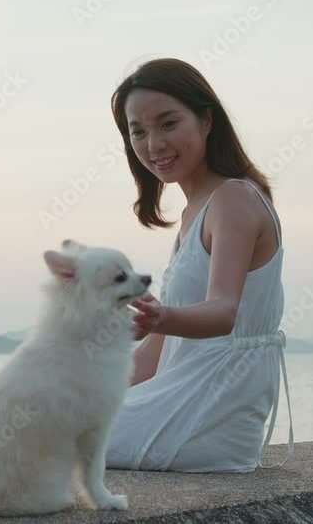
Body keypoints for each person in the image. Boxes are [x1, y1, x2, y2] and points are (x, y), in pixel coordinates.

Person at [104, 58, 293, 472]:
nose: (153, 144)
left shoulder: (235, 199)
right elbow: (159, 350)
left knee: (47, 443)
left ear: (206, 120)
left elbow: (223, 312)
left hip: (211, 413)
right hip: (184, 399)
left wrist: (160, 316)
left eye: (168, 123)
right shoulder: (197, 211)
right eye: (138, 131)